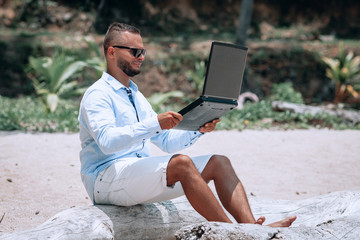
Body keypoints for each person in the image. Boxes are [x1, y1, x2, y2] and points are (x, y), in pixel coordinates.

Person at [78, 22, 296, 227]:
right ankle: (235, 234)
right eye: (134, 51)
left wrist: (198, 127)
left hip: (135, 176)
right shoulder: (98, 95)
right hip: (104, 179)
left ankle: (251, 229)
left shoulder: (135, 95)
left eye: (143, 51)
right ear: (111, 51)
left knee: (219, 163)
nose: (141, 57)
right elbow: (107, 142)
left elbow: (166, 143)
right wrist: (155, 123)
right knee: (181, 164)